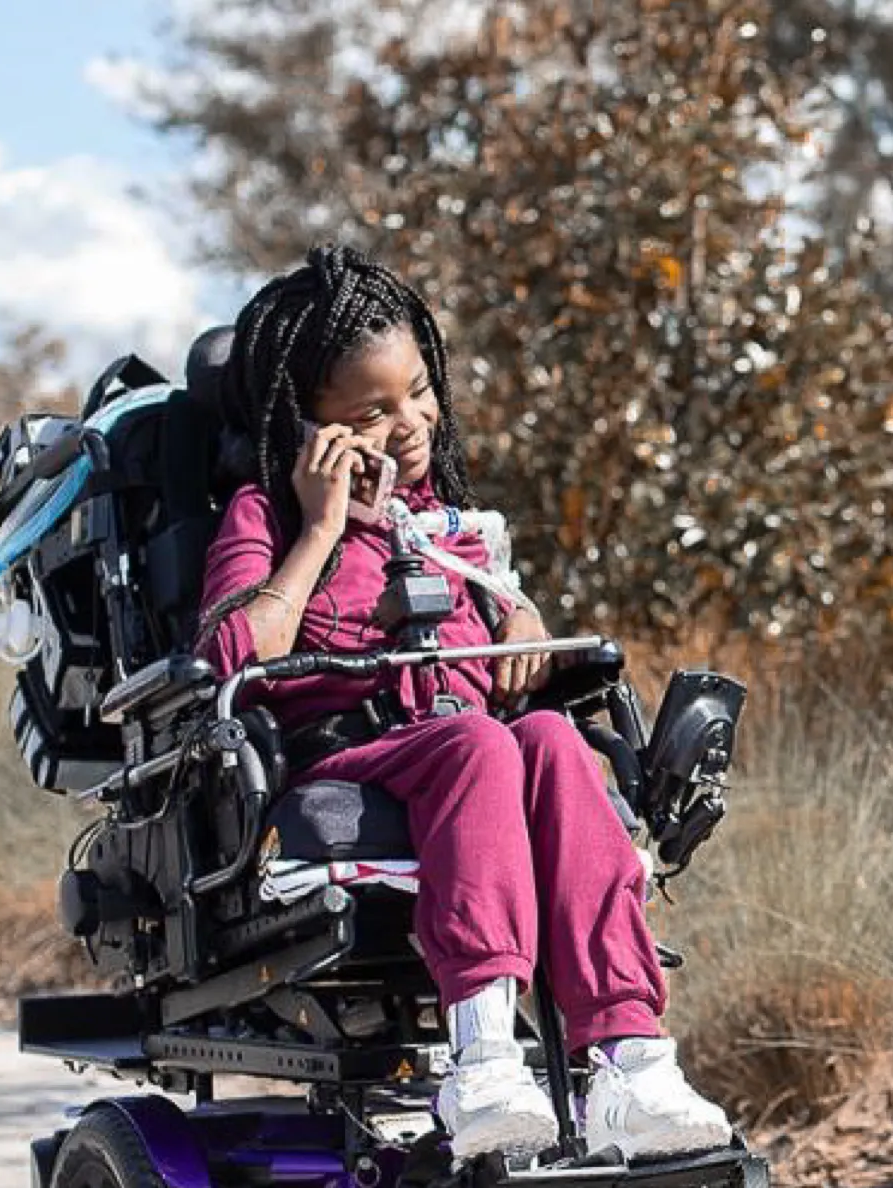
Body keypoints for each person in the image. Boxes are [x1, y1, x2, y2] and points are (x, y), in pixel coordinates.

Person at [194, 244, 734, 1164]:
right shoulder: (270, 512)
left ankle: (631, 1062)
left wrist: (517, 618)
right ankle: (483, 1059)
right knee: (480, 745)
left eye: (417, 392)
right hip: (349, 759)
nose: (410, 424)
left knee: (555, 745)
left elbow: (502, 647)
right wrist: (322, 525)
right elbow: (234, 657)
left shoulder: (449, 522)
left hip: (468, 748)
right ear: (308, 423)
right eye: (372, 411)